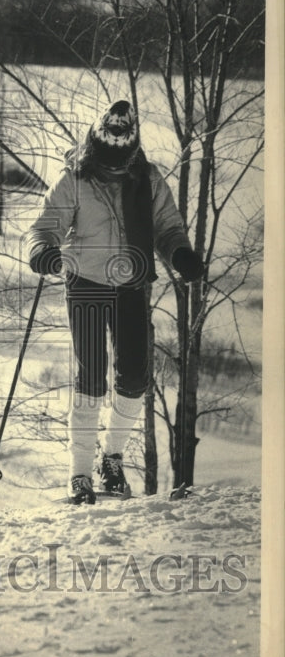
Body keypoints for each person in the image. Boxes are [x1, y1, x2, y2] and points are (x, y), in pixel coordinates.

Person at [26, 100, 203, 505]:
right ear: (95, 145)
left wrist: (180, 255)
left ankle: (112, 458)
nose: (115, 167)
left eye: (122, 160)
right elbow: (45, 226)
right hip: (86, 283)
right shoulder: (75, 177)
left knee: (135, 378)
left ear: (133, 151)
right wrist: (42, 251)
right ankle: (80, 475)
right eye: (108, 159)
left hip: (131, 284)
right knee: (91, 378)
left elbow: (167, 227)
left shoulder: (147, 178)